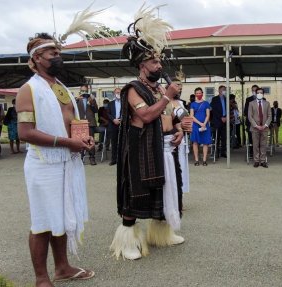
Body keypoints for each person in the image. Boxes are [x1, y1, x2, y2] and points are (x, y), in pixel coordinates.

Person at [16, 32, 95, 286]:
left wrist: (83, 137)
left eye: (59, 53)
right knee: (43, 221)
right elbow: (25, 133)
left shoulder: (62, 88)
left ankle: (62, 268)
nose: (58, 58)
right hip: (44, 164)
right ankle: (41, 278)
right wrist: (67, 142)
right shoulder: (28, 89)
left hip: (67, 161)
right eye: (53, 54)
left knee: (61, 216)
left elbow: (72, 122)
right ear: (37, 58)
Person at [110, 7, 184, 261]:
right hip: (140, 149)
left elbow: (168, 115)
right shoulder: (133, 89)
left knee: (164, 191)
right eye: (154, 62)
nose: (159, 65)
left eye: (160, 61)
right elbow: (146, 116)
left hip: (163, 146)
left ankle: (162, 233)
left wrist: (178, 130)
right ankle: (128, 242)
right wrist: (168, 96)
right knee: (136, 193)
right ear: (142, 66)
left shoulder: (160, 89)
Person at [248, 87, 272, 168]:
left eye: (261, 93)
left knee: (263, 145)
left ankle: (263, 161)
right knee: (255, 145)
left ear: (263, 94)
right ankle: (256, 161)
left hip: (265, 128)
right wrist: (256, 125)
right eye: (258, 92)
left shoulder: (267, 103)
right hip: (255, 128)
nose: (259, 94)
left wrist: (265, 125)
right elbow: (250, 116)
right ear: (255, 93)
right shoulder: (251, 103)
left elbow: (270, 116)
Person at [76, 84, 98, 165]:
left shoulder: (91, 99)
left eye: (85, 91)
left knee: (90, 140)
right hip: (80, 123)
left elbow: (96, 110)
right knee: (80, 139)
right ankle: (80, 158)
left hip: (90, 123)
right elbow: (72, 108)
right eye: (82, 91)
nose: (84, 92)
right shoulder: (78, 99)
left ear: (88, 91)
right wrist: (76, 99)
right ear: (80, 90)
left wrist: (91, 102)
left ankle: (92, 158)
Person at [190, 87, 211, 166]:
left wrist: (204, 123)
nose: (198, 94)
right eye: (197, 93)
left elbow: (208, 115)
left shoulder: (206, 103)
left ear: (202, 93)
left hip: (205, 125)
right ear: (195, 94)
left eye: (200, 93)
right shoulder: (193, 104)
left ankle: (204, 160)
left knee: (205, 142)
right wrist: (200, 123)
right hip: (196, 125)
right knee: (195, 142)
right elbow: (191, 116)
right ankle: (196, 160)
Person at [210, 85, 228, 158]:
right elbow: (214, 110)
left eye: (225, 90)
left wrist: (226, 117)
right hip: (217, 120)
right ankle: (216, 152)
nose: (224, 91)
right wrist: (221, 117)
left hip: (225, 120)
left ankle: (223, 152)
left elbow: (228, 109)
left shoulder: (226, 99)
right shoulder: (215, 99)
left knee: (224, 137)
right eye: (223, 89)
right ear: (219, 90)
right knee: (216, 137)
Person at [107, 87, 122, 165]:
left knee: (122, 142)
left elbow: (126, 113)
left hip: (121, 125)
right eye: (117, 93)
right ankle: (114, 159)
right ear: (114, 94)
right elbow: (108, 114)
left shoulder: (124, 103)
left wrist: (120, 120)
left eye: (119, 92)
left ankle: (121, 159)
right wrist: (113, 120)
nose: (118, 94)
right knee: (114, 143)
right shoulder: (110, 103)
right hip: (113, 125)